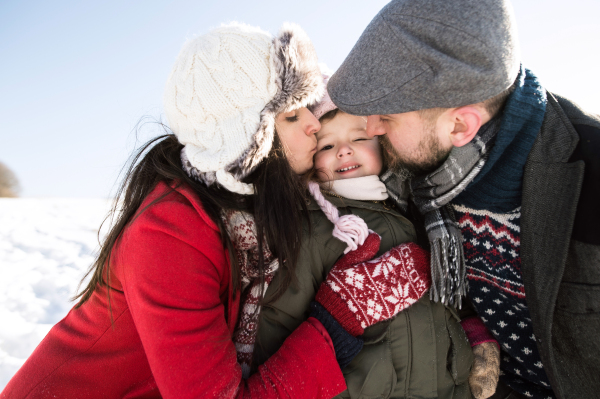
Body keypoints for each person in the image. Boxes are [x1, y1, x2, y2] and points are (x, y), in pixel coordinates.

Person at [1, 23, 418, 399]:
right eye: (292, 114)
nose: (314, 123)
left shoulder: (252, 211)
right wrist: (337, 317)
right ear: (247, 138)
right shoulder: (169, 231)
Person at [325, 0, 600, 398]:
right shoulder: (412, 181)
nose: (371, 128)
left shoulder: (590, 176)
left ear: (460, 125)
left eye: (387, 116)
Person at [254, 84, 500, 399]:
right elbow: (280, 324)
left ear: (382, 145)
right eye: (327, 146)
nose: (344, 150)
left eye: (358, 138)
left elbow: (450, 294)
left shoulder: (417, 208)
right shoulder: (310, 228)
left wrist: (473, 334)